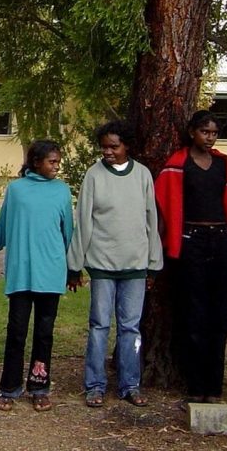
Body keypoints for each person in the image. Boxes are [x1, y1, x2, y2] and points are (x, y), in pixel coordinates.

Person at [154, 110, 227, 404]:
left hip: (220, 242)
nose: (210, 137)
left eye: (214, 132)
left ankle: (215, 387)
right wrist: (155, 249)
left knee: (219, 317)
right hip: (191, 243)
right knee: (193, 314)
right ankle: (196, 386)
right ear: (191, 132)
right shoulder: (178, 165)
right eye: (204, 132)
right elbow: (164, 209)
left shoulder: (222, 165)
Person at [67, 120, 163, 408]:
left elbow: (151, 220)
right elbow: (83, 221)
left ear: (127, 146)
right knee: (99, 325)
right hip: (102, 264)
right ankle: (95, 385)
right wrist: (75, 264)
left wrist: (153, 264)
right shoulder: (94, 176)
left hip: (135, 264)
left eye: (114, 146)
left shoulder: (143, 175)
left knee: (130, 327)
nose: (107, 152)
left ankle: (129, 384)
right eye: (104, 147)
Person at [0, 140, 73, 412]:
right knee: (16, 332)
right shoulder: (17, 190)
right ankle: (9, 388)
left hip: (51, 273)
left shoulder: (61, 191)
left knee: (44, 334)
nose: (56, 167)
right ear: (36, 162)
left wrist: (74, 268)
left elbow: (68, 232)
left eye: (58, 162)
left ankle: (39, 386)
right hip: (22, 273)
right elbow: (3, 225)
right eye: (52, 162)